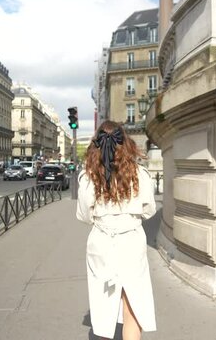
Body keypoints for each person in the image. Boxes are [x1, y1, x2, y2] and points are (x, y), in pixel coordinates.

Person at [76, 121, 157, 340]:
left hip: (101, 241)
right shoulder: (141, 174)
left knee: (104, 304)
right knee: (133, 302)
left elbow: (83, 215)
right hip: (131, 240)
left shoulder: (88, 177)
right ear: (126, 143)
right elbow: (149, 210)